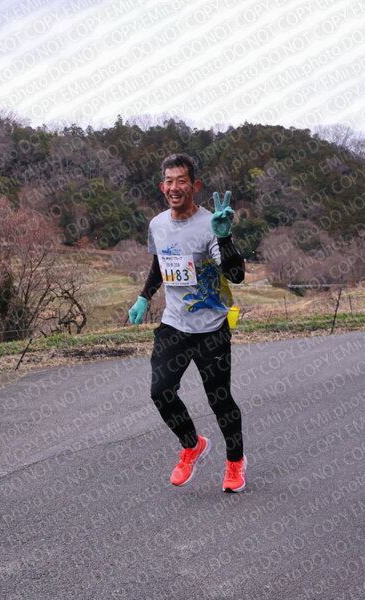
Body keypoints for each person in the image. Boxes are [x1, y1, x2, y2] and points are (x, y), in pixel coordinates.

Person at [128, 153, 246, 492]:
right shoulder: (157, 224)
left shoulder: (210, 224)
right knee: (161, 392)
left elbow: (236, 275)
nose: (174, 187)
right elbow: (160, 264)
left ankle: (235, 462)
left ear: (195, 186)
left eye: (182, 181)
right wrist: (144, 297)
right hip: (174, 324)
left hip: (211, 328)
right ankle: (192, 444)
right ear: (162, 186)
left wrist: (224, 237)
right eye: (169, 181)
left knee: (219, 400)